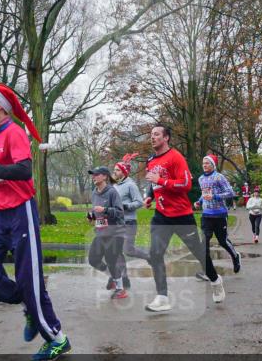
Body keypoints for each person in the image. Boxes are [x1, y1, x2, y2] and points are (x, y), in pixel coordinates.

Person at [0, 83, 70, 361]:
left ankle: (57, 339)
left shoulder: (14, 132)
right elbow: (3, 176)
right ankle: (28, 303)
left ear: (0, 107)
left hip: (20, 215)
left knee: (29, 280)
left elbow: (24, 171)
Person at [143, 124, 225, 312]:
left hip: (181, 215)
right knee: (155, 254)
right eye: (151, 134)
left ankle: (215, 280)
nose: (152, 137)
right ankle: (162, 297)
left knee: (199, 253)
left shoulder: (176, 157)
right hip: (161, 216)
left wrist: (160, 181)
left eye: (156, 134)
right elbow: (153, 183)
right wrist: (149, 196)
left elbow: (186, 184)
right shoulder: (151, 160)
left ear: (166, 138)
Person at [86, 166, 127, 299]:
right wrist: (92, 216)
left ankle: (120, 289)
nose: (93, 177)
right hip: (101, 232)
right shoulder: (94, 192)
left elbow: (120, 212)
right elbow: (97, 212)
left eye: (96, 174)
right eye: (92, 174)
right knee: (93, 259)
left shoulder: (112, 192)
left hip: (115, 232)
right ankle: (113, 277)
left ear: (104, 176)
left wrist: (105, 210)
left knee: (111, 260)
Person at [198, 154, 241, 274]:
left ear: (213, 165)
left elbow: (230, 193)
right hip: (206, 215)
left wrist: (215, 196)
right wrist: (199, 201)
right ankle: (206, 270)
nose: (204, 165)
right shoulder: (201, 178)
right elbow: (204, 193)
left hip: (220, 214)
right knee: (204, 242)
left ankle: (235, 256)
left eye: (207, 163)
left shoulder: (219, 177)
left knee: (222, 241)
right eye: (203, 163)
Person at [111, 153, 147, 290]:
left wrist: (125, 206)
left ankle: (149, 257)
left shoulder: (131, 185)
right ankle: (124, 279)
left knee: (128, 250)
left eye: (117, 170)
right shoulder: (114, 185)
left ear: (124, 172)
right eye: (114, 170)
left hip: (129, 222)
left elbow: (139, 202)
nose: (114, 172)